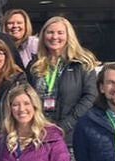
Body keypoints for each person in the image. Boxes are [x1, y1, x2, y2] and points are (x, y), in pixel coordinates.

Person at [28, 16, 98, 148]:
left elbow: (90, 97)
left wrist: (65, 125)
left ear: (69, 36)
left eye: (60, 33)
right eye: (50, 32)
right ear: (43, 36)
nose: (54, 37)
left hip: (72, 136)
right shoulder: (35, 65)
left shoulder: (82, 63)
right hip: (39, 135)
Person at [0, 85, 70, 161]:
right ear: (10, 109)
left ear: (35, 106)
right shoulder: (1, 137)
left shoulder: (52, 137)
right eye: (16, 105)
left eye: (26, 104)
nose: (21, 109)